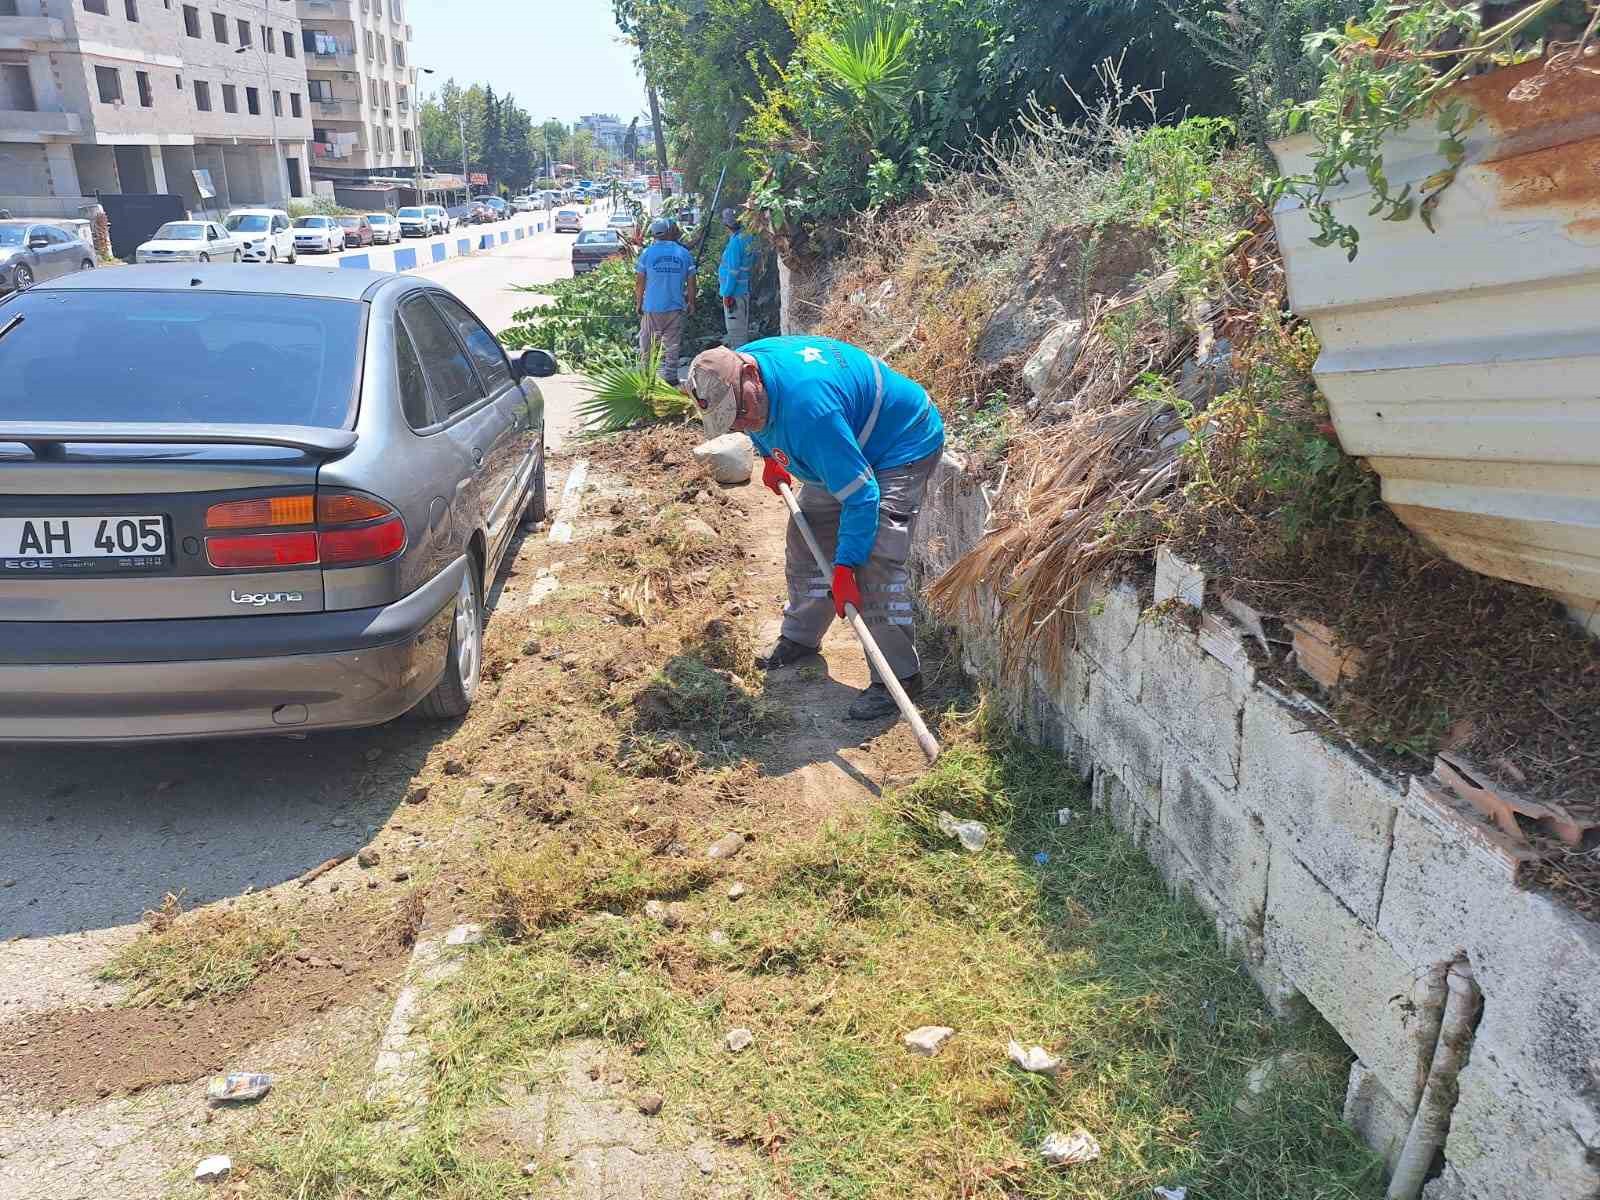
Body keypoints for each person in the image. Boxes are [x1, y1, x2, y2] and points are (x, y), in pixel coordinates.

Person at [685, 337, 945, 720]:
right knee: (805, 535)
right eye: (731, 421)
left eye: (740, 413)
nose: (742, 424)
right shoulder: (742, 371)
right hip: (843, 441)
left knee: (874, 559)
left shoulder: (810, 411)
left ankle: (899, 679)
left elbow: (861, 497)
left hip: (899, 444)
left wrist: (844, 568)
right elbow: (760, 419)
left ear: (752, 375)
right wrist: (772, 455)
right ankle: (802, 637)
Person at [634, 217, 695, 384]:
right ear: (669, 232)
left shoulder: (647, 253)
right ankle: (671, 377)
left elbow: (640, 282)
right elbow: (691, 282)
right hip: (675, 307)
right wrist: (691, 302)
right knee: (672, 344)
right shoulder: (684, 254)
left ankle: (647, 376)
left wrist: (639, 304)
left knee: (647, 343)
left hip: (652, 307)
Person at [716, 208, 757, 349]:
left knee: (736, 333)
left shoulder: (735, 243)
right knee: (741, 329)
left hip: (734, 293)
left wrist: (727, 293)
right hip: (742, 290)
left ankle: (739, 365)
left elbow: (733, 272)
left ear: (727, 226)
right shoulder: (748, 237)